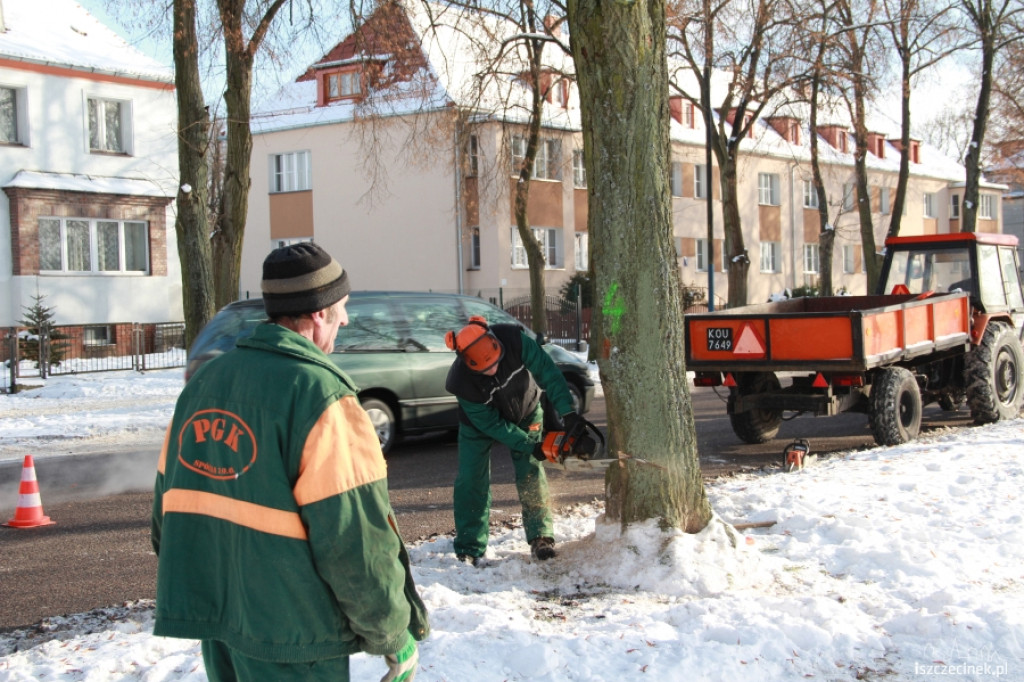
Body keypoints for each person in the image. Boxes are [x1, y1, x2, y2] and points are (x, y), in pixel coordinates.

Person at [151, 243, 428, 682]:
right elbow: (353, 541)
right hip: (293, 635)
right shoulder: (321, 395)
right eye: (342, 307)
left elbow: (166, 514)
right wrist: (392, 633)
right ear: (318, 313)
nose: (347, 319)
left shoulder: (206, 383)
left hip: (222, 624)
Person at [444, 315, 581, 564]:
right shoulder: (461, 383)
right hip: (478, 426)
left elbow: (547, 371)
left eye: (495, 363)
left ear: (495, 341)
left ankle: (541, 536)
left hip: (527, 410)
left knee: (530, 470)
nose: (493, 370)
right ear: (467, 362)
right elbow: (496, 426)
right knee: (471, 479)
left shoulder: (515, 340)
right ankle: (469, 546)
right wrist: (531, 444)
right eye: (486, 370)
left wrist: (568, 412)